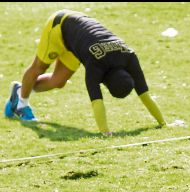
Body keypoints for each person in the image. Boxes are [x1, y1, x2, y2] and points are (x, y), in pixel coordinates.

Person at [3, 9, 165, 135]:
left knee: (59, 82)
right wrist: (105, 132)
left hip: (77, 39)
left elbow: (144, 94)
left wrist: (163, 123)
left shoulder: (129, 56)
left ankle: (19, 90)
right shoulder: (96, 66)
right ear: (106, 83)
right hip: (60, 26)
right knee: (40, 66)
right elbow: (97, 101)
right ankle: (21, 104)